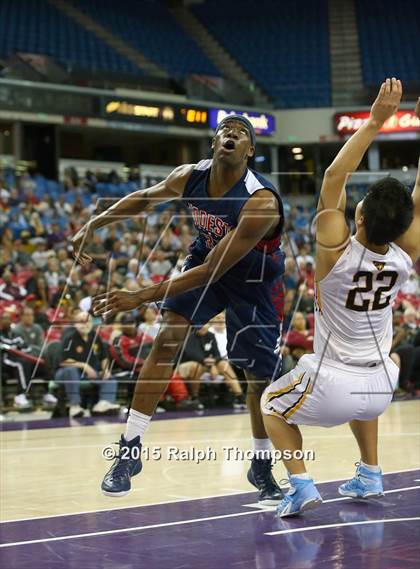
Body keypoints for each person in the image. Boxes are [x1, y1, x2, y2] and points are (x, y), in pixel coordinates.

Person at [73, 114, 286, 503]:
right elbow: (143, 199)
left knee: (258, 379)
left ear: (250, 150)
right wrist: (95, 222)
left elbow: (212, 271)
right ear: (214, 143)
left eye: (241, 133)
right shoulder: (190, 175)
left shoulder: (261, 201)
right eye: (225, 130)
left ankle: (261, 464)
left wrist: (140, 295)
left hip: (254, 280)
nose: (232, 135)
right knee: (167, 339)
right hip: (206, 262)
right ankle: (130, 449)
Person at [261, 81, 420, 516]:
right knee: (366, 387)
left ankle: (299, 484)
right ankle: (370, 473)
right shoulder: (406, 256)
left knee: (271, 407)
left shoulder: (336, 250)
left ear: (360, 216)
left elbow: (334, 177)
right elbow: (418, 207)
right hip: (382, 383)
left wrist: (375, 122)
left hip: (332, 380)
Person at [55, 311, 120, 418]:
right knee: (70, 370)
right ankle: (74, 406)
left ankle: (103, 404)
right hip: (65, 374)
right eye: (81, 321)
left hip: (89, 374)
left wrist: (105, 370)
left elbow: (104, 357)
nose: (85, 324)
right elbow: (63, 362)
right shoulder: (69, 338)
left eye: (88, 321)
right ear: (75, 323)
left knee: (110, 377)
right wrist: (84, 366)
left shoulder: (95, 336)